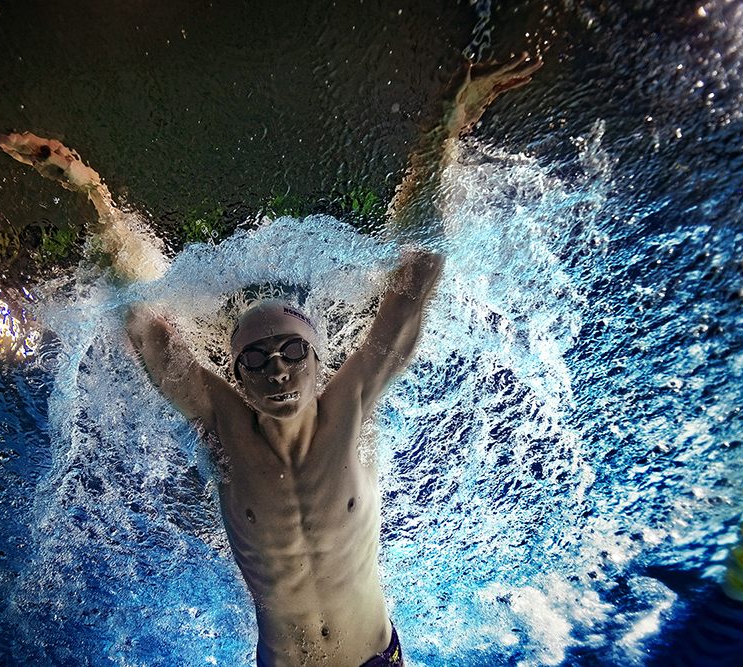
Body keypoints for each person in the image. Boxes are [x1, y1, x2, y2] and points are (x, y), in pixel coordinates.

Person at [122, 53, 542, 667]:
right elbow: (142, 324)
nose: (278, 368)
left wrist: (441, 132)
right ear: (234, 374)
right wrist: (92, 196)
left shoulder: (353, 403)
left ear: (320, 359)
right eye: (257, 359)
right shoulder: (220, 425)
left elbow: (417, 275)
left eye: (294, 350)